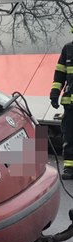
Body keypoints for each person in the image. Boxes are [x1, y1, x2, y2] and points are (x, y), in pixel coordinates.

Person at [51, 28, 73, 179]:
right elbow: (60, 74)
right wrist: (54, 93)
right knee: (69, 136)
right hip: (70, 105)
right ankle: (69, 168)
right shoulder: (68, 49)